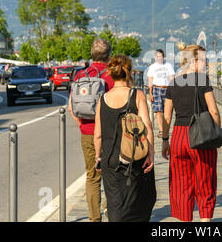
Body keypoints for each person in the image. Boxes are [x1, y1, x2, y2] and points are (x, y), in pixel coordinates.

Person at [162, 44, 220, 222]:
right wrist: (216, 134)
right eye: (204, 60)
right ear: (194, 61)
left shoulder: (173, 83)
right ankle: (204, 222)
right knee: (205, 182)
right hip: (200, 136)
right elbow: (214, 111)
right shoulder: (203, 81)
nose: (206, 64)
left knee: (180, 185)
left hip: (179, 136)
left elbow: (166, 116)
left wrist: (165, 140)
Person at [94, 55, 156, 222]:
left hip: (110, 160)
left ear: (111, 73)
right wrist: (151, 154)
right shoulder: (136, 95)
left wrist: (98, 157)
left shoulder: (103, 99)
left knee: (115, 204)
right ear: (128, 72)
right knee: (139, 201)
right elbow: (148, 127)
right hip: (134, 158)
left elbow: (98, 134)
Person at [68, 39, 114, 222]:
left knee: (92, 177)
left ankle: (94, 219)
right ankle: (111, 213)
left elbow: (71, 107)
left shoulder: (81, 75)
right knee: (111, 176)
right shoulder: (112, 75)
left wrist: (82, 126)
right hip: (110, 133)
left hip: (87, 131)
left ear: (91, 54)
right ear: (109, 55)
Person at [147, 49, 175, 138]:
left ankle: (166, 129)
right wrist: (150, 93)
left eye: (161, 56)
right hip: (156, 88)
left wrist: (172, 89)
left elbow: (172, 78)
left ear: (163, 57)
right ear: (155, 57)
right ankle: (161, 130)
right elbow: (150, 80)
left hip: (166, 88)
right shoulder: (152, 67)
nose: (159, 58)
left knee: (167, 110)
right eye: (157, 56)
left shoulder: (168, 66)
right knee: (158, 110)